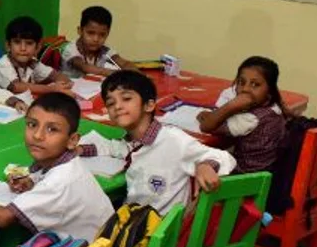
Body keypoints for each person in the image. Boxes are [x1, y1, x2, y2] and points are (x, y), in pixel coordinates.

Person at [80, 71, 235, 215]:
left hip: (162, 229)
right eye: (111, 103)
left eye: (126, 99)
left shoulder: (173, 140)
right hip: (135, 221)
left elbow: (224, 157)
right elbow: (114, 147)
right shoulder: (133, 142)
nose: (117, 106)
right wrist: (80, 149)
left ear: (149, 105)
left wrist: (205, 166)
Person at [0, 93, 112, 241]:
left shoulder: (60, 182)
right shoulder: (65, 164)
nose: (37, 135)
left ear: (72, 140)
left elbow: (2, 218)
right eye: (32, 124)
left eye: (52, 129)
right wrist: (32, 182)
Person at [197, 56, 287, 173]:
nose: (245, 89)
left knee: (198, 162)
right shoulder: (274, 106)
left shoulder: (250, 119)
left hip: (244, 175)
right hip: (267, 169)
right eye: (241, 82)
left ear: (270, 90)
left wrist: (231, 106)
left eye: (255, 84)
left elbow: (206, 126)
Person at [0, 15, 73, 95]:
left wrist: (65, 84)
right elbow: (17, 87)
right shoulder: (3, 64)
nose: (23, 48)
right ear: (8, 46)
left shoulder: (33, 63)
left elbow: (55, 75)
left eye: (29, 43)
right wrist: (52, 89)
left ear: (37, 47)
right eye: (17, 42)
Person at [61, 6, 137, 78]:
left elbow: (125, 63)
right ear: (80, 31)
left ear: (108, 34)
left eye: (102, 35)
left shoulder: (105, 50)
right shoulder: (70, 49)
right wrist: (121, 74)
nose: (96, 39)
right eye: (90, 33)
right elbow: (86, 68)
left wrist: (135, 73)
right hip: (69, 86)